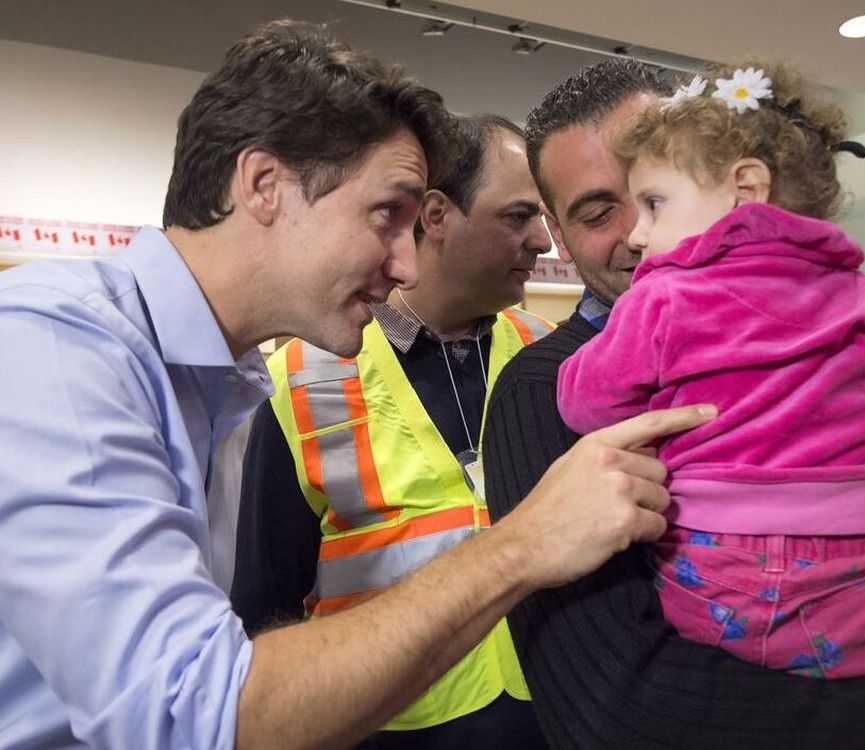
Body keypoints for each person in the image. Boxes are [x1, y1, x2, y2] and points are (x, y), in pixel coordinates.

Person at [0, 23, 702, 750]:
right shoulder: (56, 348)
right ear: (265, 186)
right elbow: (197, 714)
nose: (407, 264)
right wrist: (522, 544)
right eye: (387, 216)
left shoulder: (209, 384)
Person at [482, 58, 865, 748]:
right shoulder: (536, 389)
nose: (640, 232)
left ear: (739, 178)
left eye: (655, 194)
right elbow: (618, 712)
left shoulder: (862, 323)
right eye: (602, 208)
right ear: (558, 227)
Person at [231, 113, 553, 747]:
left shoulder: (549, 362)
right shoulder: (299, 384)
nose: (544, 240)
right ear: (434, 217)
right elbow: (263, 617)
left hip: (550, 719)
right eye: (518, 217)